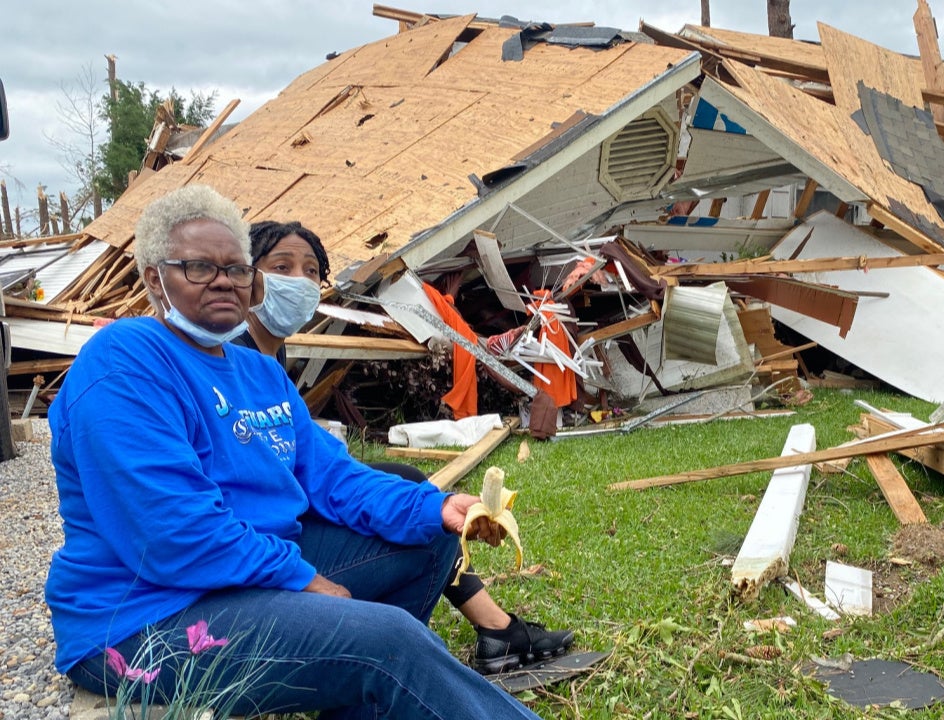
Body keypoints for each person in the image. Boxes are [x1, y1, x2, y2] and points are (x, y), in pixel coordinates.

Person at [44, 184, 542, 719]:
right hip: (143, 619)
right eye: (198, 268)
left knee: (429, 539)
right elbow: (172, 534)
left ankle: (359, 697)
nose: (223, 282)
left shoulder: (257, 372)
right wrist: (303, 580)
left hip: (239, 580)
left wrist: (433, 507)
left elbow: (333, 478)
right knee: (387, 642)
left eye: (236, 269)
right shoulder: (125, 363)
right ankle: (379, 669)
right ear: (154, 280)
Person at [237, 219, 574, 674]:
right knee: (424, 527)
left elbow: (319, 465)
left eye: (310, 270)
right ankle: (400, 658)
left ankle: (484, 631)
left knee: (415, 492)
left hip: (287, 511)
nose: (298, 282)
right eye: (281, 266)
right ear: (247, 276)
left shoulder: (269, 357)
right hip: (261, 542)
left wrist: (432, 506)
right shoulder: (229, 357)